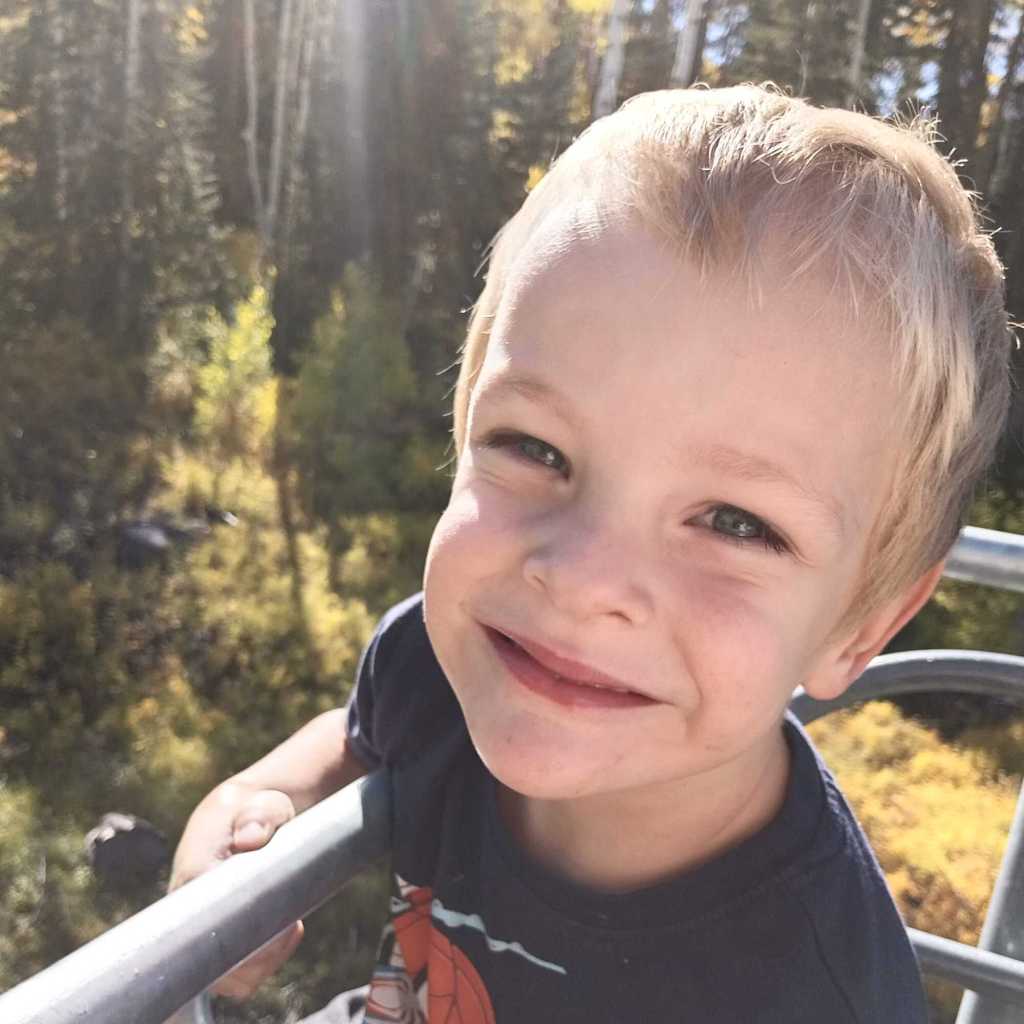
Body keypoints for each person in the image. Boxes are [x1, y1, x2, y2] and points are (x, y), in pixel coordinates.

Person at [171, 84, 1013, 1022]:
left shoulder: (822, 996)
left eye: (736, 522)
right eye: (535, 448)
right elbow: (362, 737)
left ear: (863, 627)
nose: (580, 580)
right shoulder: (445, 666)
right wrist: (257, 802)